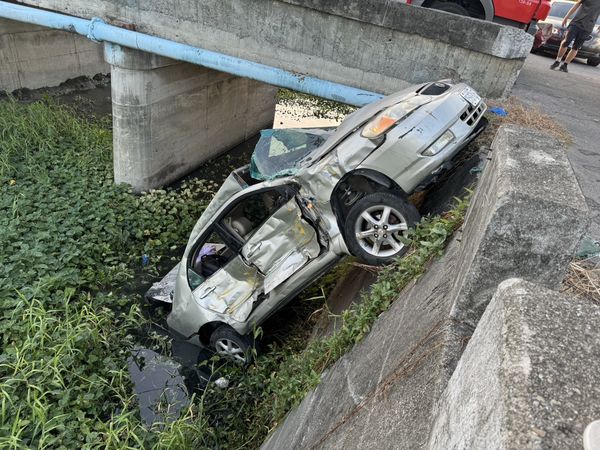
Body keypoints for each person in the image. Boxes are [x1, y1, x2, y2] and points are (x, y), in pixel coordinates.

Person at [550, 0, 600, 72]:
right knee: (566, 42)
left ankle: (565, 65)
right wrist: (567, 16)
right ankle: (557, 61)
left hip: (588, 27)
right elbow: (577, 4)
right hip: (575, 23)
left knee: (576, 47)